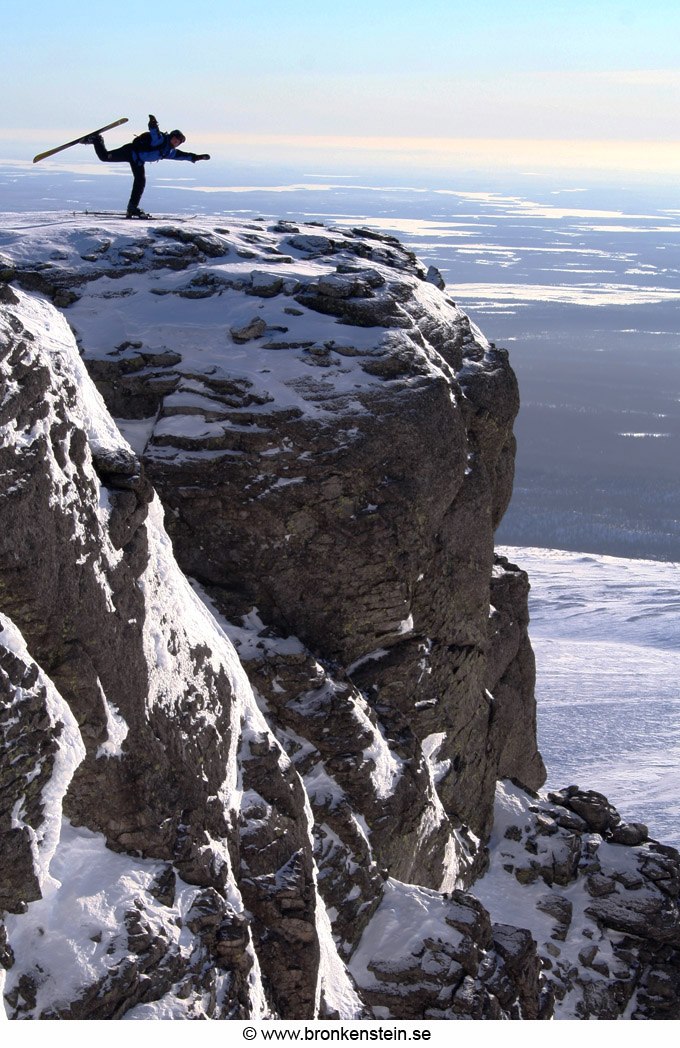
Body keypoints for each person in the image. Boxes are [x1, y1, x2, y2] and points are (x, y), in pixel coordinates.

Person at [83, 114, 210, 218]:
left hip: (137, 161)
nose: (176, 143)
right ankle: (96, 140)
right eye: (176, 139)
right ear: (171, 137)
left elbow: (183, 156)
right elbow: (155, 133)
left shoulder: (168, 151)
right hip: (130, 152)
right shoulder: (160, 140)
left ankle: (132, 208)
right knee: (104, 157)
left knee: (140, 181)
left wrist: (197, 157)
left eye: (179, 142)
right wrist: (153, 123)